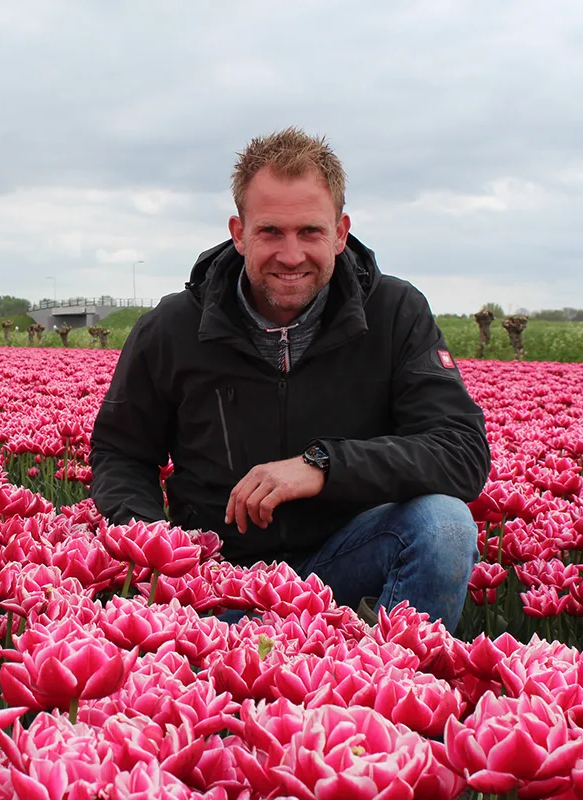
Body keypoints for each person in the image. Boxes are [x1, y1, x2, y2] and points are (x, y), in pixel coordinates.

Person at [89, 128, 490, 632]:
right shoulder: (173, 327)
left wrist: (323, 464)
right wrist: (154, 548)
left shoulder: (394, 312)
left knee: (444, 525)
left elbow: (461, 451)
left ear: (341, 232)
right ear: (239, 232)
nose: (291, 255)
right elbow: (121, 451)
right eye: (270, 232)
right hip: (219, 580)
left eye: (310, 232)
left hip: (343, 561)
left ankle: (391, 693)